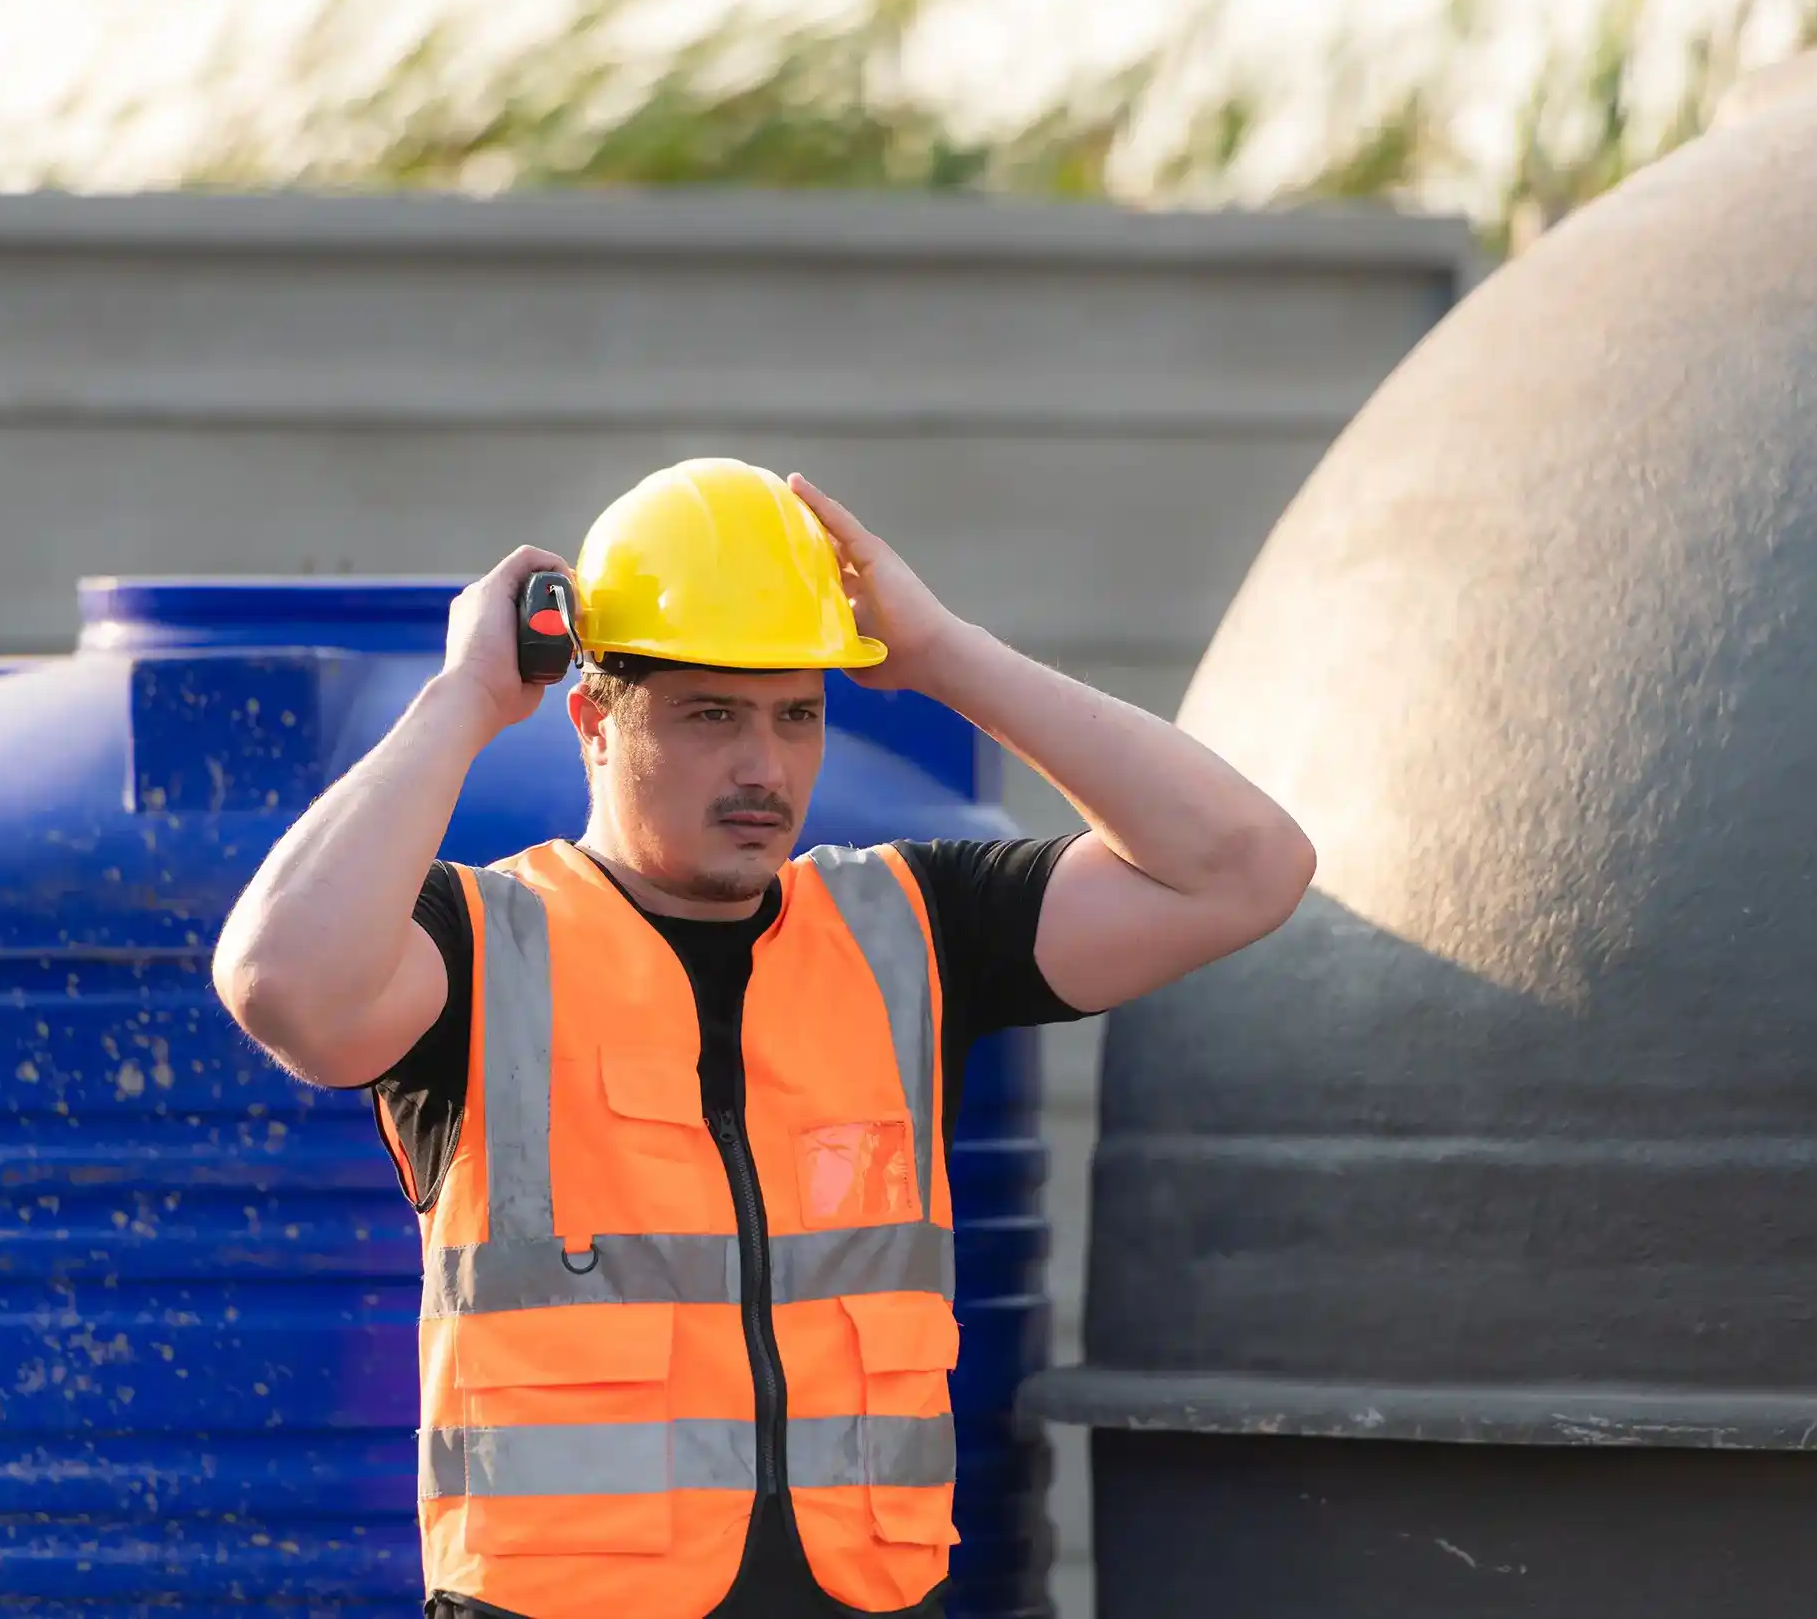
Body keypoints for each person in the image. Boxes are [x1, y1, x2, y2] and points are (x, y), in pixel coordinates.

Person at [213, 457, 1315, 1619]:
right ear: (592, 717)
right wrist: (463, 701)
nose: (763, 766)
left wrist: (942, 653)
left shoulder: (913, 929)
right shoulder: (482, 944)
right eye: (710, 715)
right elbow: (284, 984)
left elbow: (1245, 868)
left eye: (797, 714)